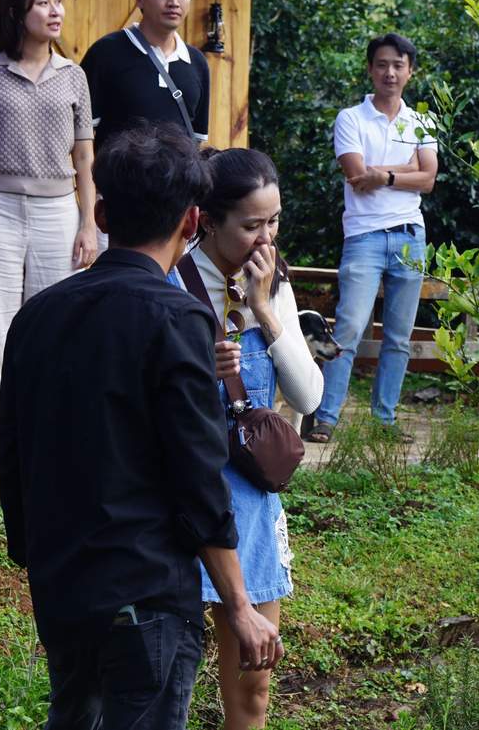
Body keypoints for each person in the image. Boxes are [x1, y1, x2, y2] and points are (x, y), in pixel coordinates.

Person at [0, 124, 283, 730]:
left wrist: (34, 555)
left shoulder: (36, 317)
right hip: (147, 593)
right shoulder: (179, 319)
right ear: (190, 222)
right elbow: (196, 473)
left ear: (100, 213)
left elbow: (13, 453)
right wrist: (239, 604)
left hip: (63, 587)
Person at [169, 148, 321, 730]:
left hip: (251, 500)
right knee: (169, 674)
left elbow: (308, 398)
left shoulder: (271, 280)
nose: (266, 237)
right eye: (252, 224)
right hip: (183, 490)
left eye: (275, 221)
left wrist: (265, 309)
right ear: (209, 218)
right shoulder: (175, 276)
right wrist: (194, 363)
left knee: (254, 684)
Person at [0, 0, 98, 478]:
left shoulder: (75, 76)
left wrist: (88, 224)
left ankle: (47, 438)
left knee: (55, 327)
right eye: (43, 3)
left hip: (58, 209)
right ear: (18, 12)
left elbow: (85, 160)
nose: (55, 11)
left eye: (59, 1)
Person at [306, 33, 437, 444]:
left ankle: (385, 419)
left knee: (399, 337)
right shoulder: (351, 118)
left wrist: (386, 175)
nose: (390, 72)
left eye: (398, 65)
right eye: (382, 64)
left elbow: (429, 178)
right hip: (364, 236)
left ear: (410, 71)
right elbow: (357, 176)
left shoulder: (422, 122)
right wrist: (404, 169)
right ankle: (327, 416)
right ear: (370, 68)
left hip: (410, 235)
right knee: (347, 328)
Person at [81, 0, 211, 152]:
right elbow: (82, 135)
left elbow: (196, 140)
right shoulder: (106, 53)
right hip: (117, 181)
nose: (174, 2)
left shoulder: (197, 62)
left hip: (179, 183)